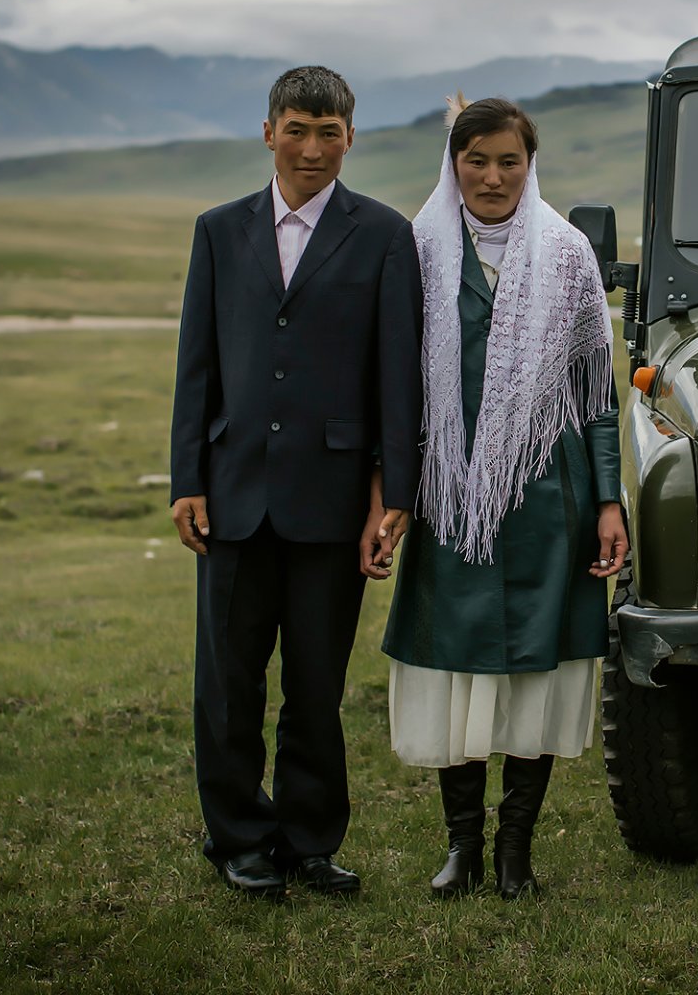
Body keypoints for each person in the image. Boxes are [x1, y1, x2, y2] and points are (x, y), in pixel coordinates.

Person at [168, 66, 421, 898]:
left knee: (317, 685)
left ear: (352, 137)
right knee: (229, 685)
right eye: (297, 129)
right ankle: (238, 837)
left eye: (329, 132)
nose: (312, 149)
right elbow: (196, 366)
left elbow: (398, 378)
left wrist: (392, 495)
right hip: (233, 492)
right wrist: (187, 479)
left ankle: (311, 841)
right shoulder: (217, 230)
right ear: (268, 131)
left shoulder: (384, 235)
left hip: (334, 500)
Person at [374, 94, 626, 900]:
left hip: (550, 494)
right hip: (451, 499)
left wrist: (610, 500)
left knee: (536, 675)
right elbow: (394, 387)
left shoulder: (567, 254)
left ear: (531, 163)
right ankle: (462, 850)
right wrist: (393, 491)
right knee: (458, 663)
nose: (492, 176)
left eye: (508, 160)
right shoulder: (416, 251)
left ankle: (516, 851)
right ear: (452, 163)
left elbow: (596, 393)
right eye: (476, 159)